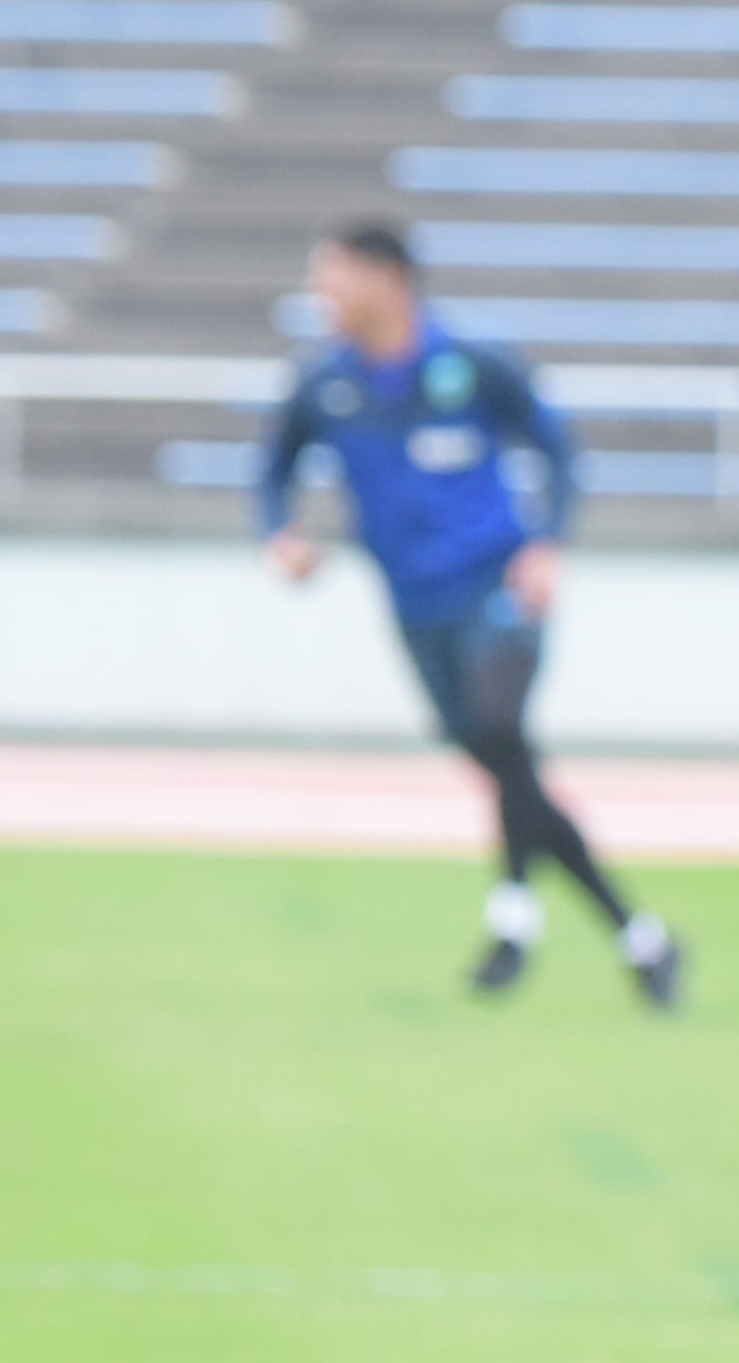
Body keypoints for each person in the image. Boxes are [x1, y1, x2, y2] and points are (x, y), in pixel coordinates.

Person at [258, 219, 685, 1008]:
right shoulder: (326, 385)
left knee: (497, 725)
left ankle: (513, 917)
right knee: (505, 764)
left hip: (497, 585)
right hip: (413, 606)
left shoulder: (473, 363)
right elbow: (273, 465)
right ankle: (641, 937)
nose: (321, 294)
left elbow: (557, 449)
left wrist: (548, 544)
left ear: (388, 280)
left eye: (333, 277)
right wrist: (280, 535)